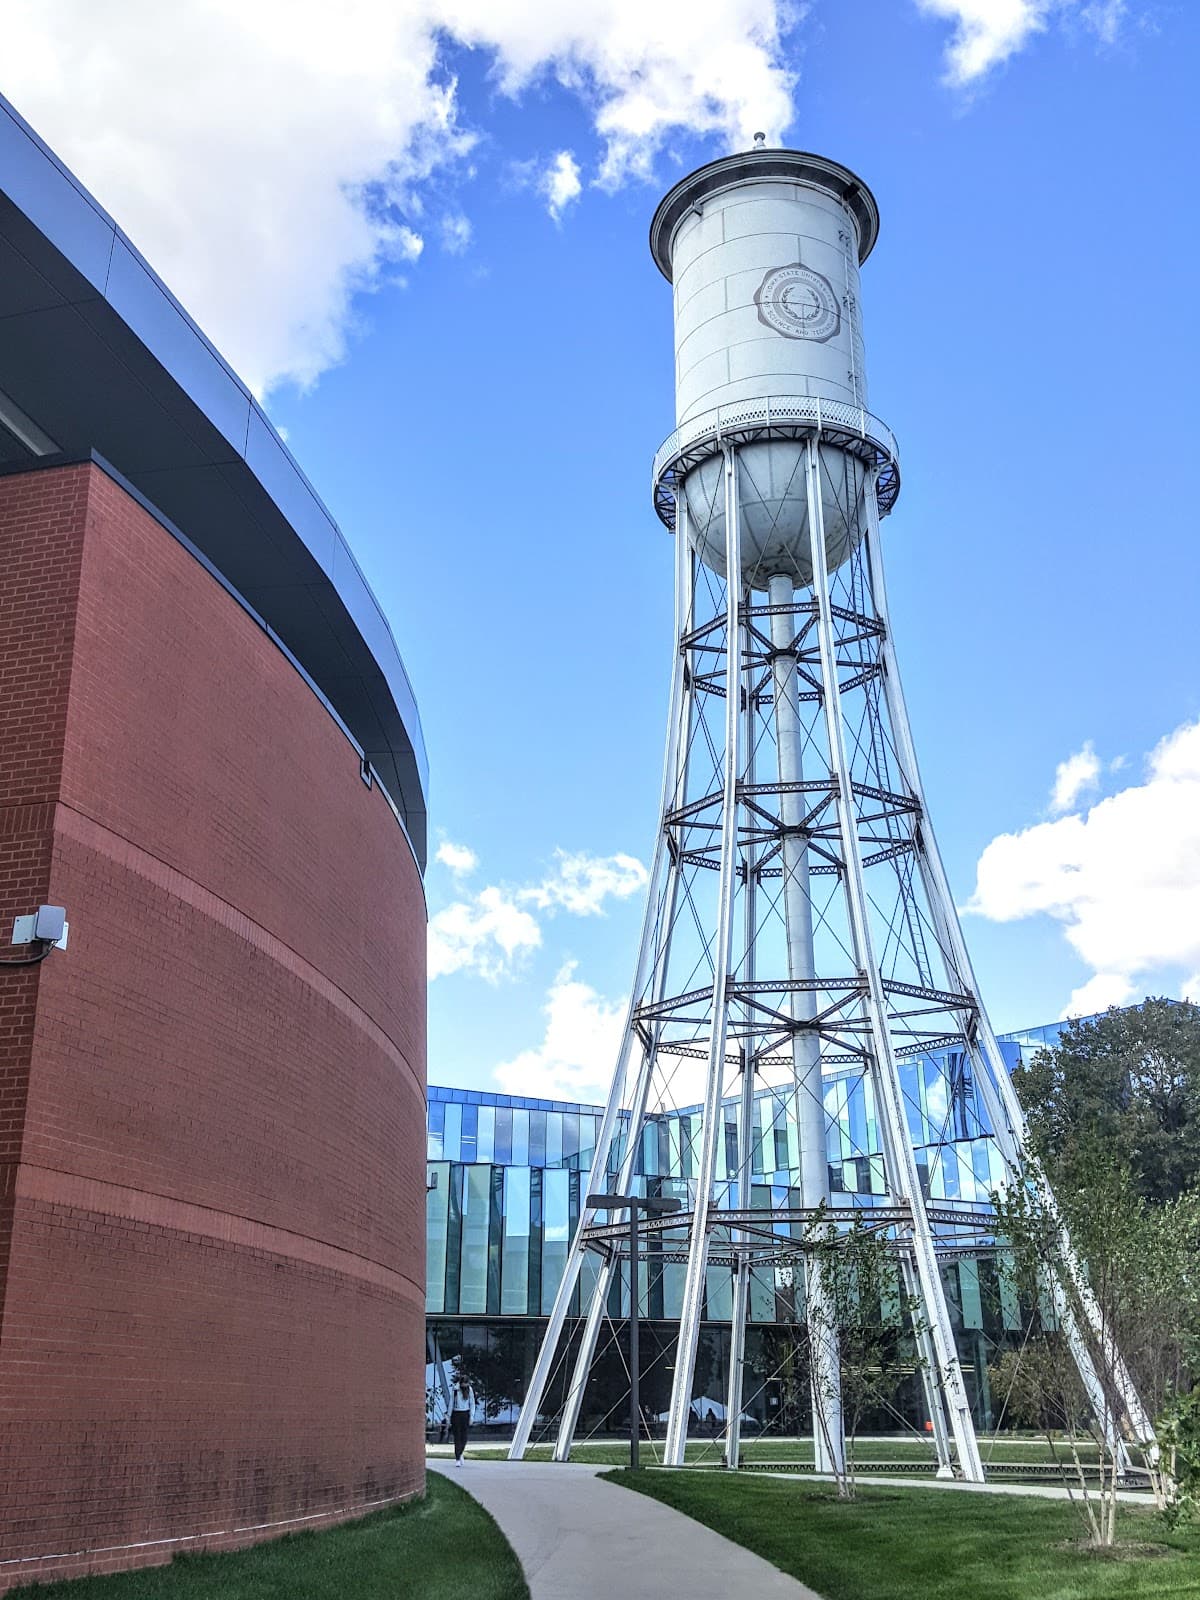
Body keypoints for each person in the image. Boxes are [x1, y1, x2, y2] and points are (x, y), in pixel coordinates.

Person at [449, 1376, 476, 1466]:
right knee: (457, 1437)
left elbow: (472, 1403)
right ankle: (457, 1458)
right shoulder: (455, 1389)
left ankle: (460, 1453)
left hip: (466, 1413)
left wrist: (471, 1417)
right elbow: (451, 1402)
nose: (465, 1386)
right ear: (460, 1383)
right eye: (464, 1384)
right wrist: (448, 1416)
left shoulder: (470, 1390)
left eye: (467, 1384)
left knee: (464, 1437)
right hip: (456, 1413)